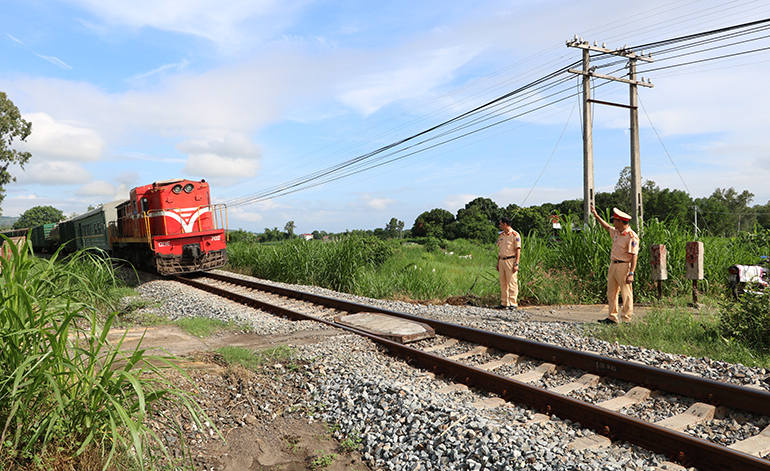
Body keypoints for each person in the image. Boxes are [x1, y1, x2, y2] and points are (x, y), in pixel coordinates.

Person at [590, 205, 639, 324]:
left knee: (626, 294)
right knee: (612, 292)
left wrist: (631, 273)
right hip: (613, 265)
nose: (613, 223)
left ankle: (626, 319)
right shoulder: (617, 232)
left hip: (624, 266)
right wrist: (596, 216)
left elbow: (634, 256)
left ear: (620, 221)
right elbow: (607, 227)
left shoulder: (631, 236)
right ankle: (612, 317)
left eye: (615, 220)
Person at [496, 217, 521, 310]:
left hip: (511, 260)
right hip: (502, 260)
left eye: (501, 223)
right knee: (503, 282)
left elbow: (518, 250)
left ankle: (513, 303)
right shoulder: (502, 235)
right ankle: (504, 302)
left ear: (505, 224)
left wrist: (516, 264)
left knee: (512, 282)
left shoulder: (515, 235)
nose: (500, 225)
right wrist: (498, 263)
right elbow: (500, 250)